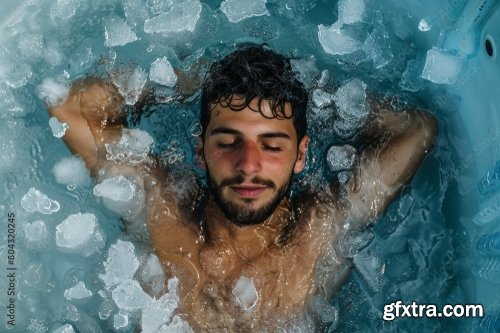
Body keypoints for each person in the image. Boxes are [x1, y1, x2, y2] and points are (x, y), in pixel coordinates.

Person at [47, 46, 437, 332]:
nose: (249, 165)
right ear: (201, 151)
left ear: (301, 155)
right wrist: (187, 81)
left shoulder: (320, 228)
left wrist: (321, 99)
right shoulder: (161, 207)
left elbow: (415, 131)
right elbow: (70, 107)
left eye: (272, 145)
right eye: (229, 141)